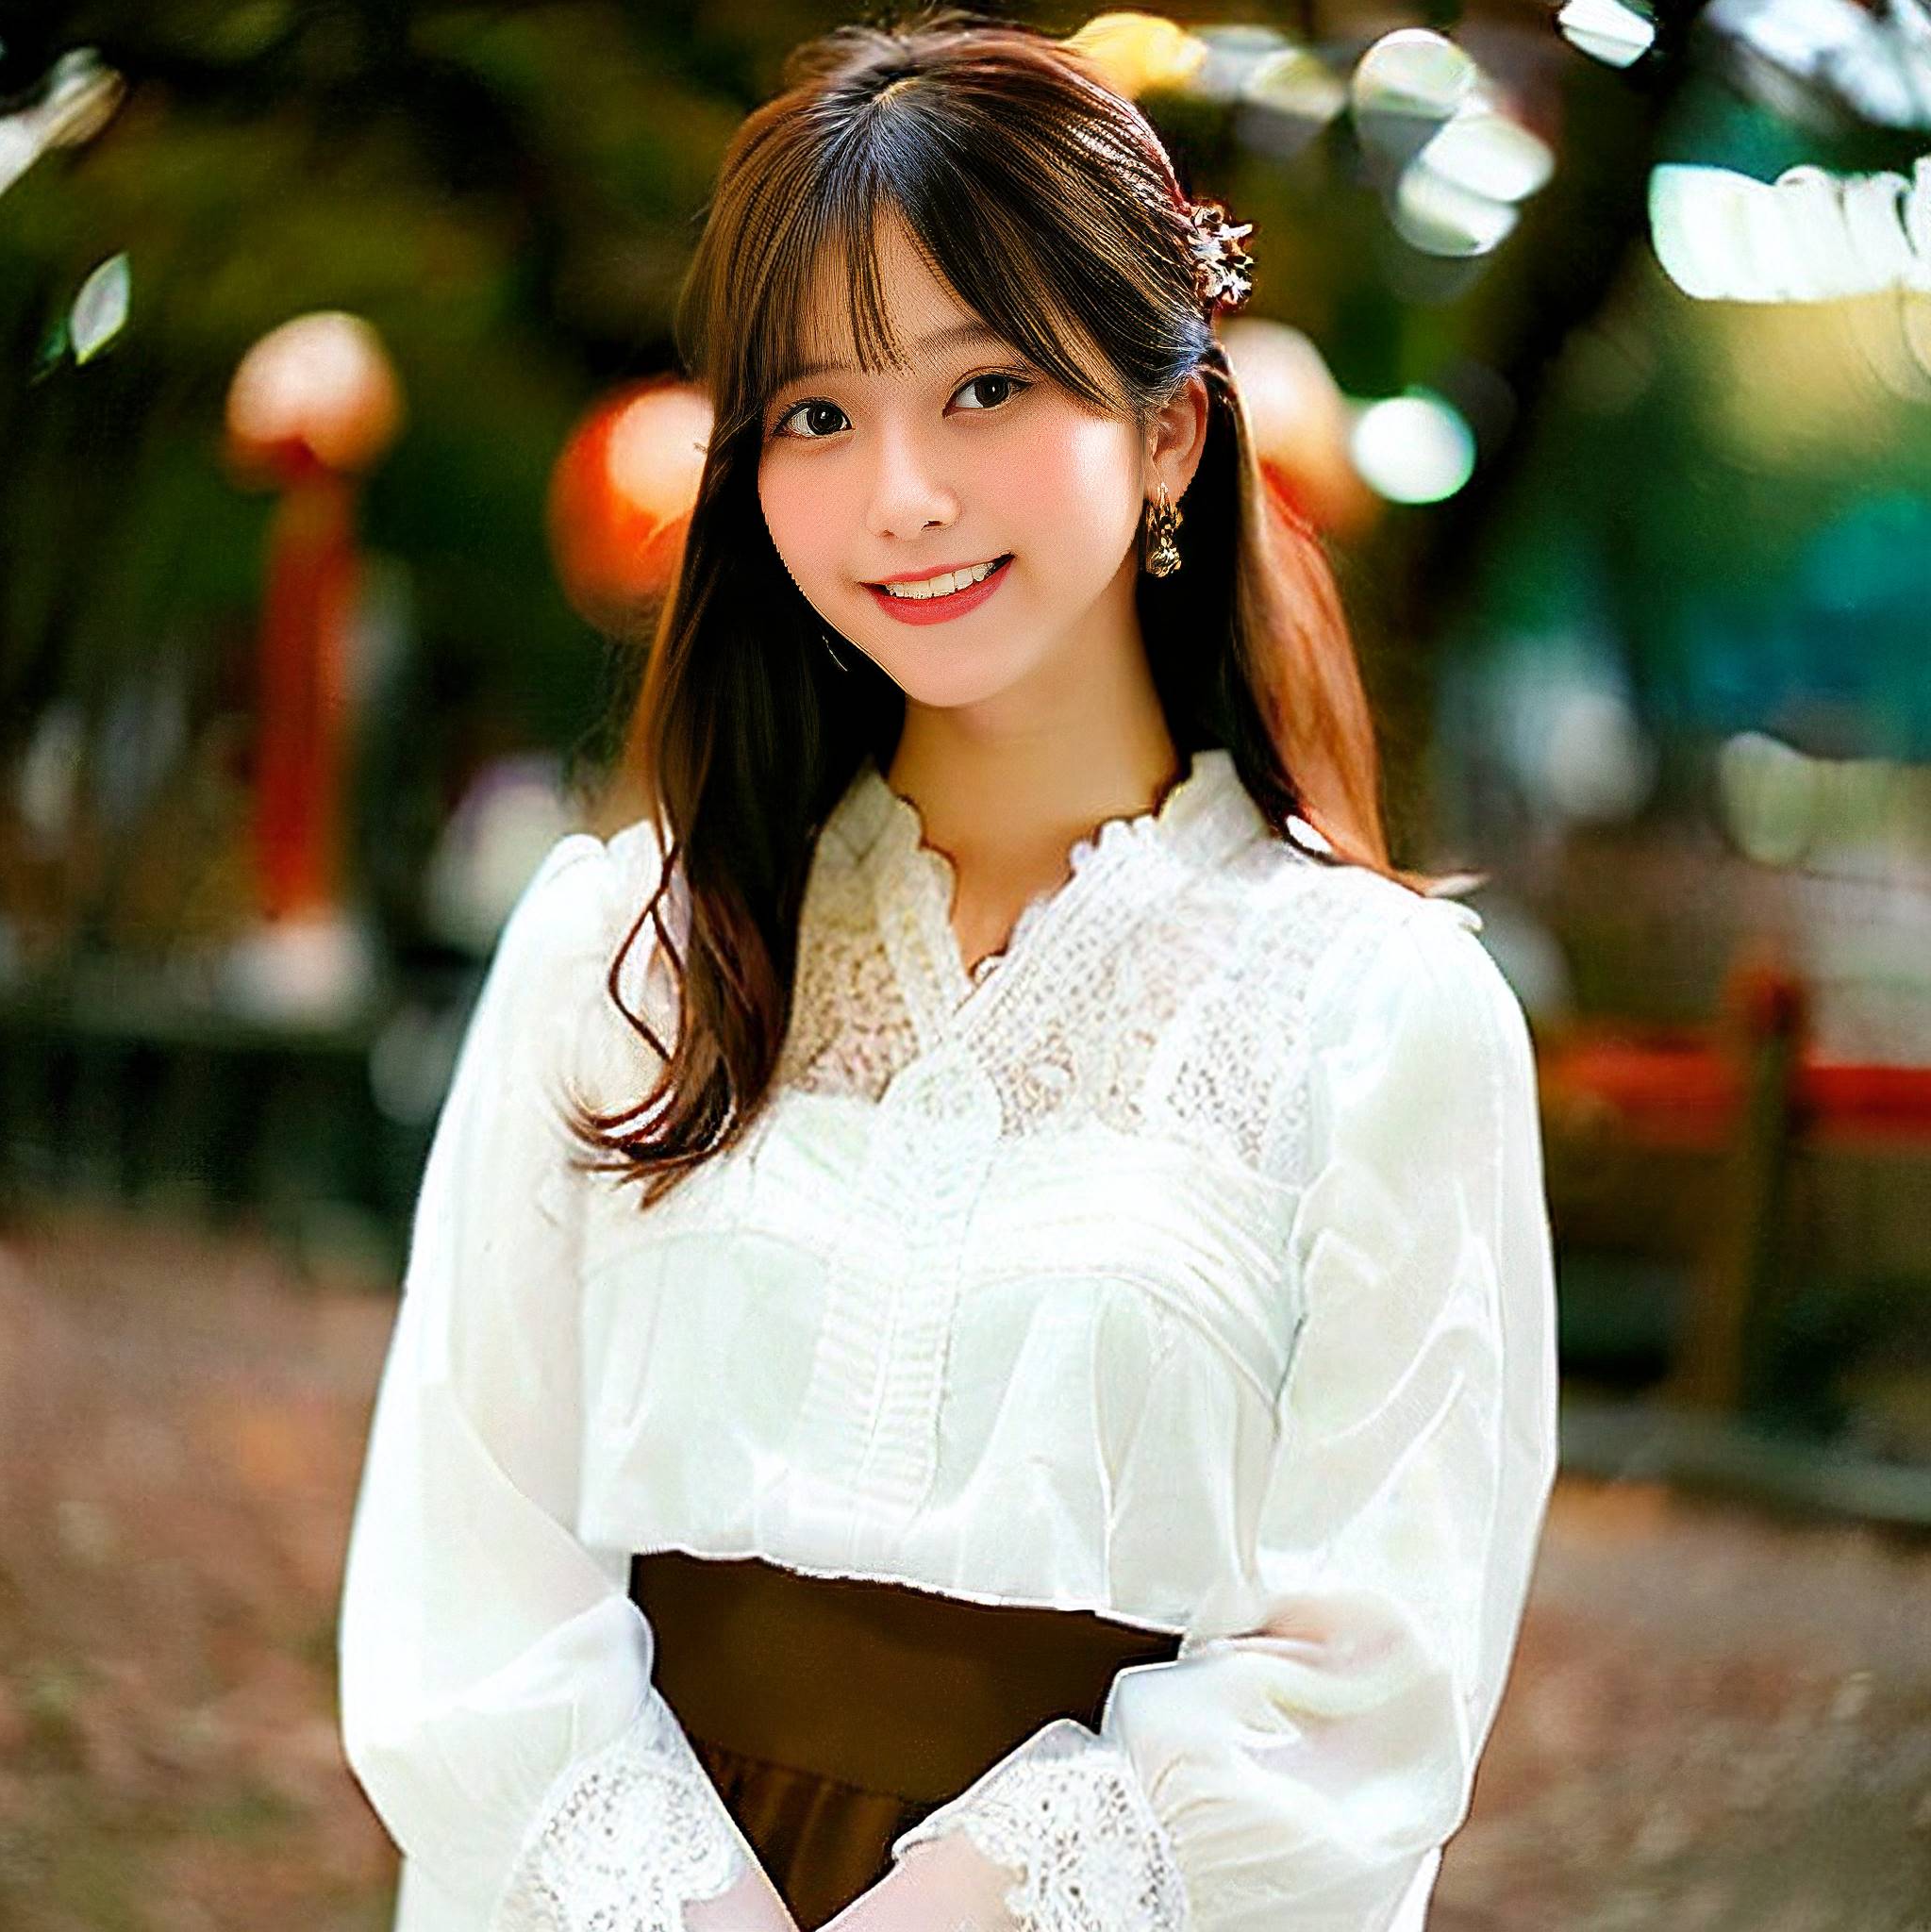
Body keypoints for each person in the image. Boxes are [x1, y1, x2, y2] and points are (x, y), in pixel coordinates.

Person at [336, 9, 1560, 1931]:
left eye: (984, 390)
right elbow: (463, 1568)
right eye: (817, 412)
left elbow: (1367, 1681)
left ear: (1165, 429)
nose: (897, 492)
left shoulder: (1377, 1012)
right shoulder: (621, 946)